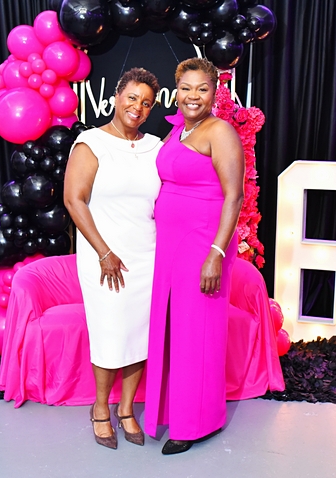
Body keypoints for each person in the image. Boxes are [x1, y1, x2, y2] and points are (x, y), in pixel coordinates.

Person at [143, 57, 245, 455]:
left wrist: (216, 253)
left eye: (202, 89)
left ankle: (196, 423)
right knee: (174, 330)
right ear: (176, 91)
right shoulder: (178, 130)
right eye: (186, 88)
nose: (193, 96)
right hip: (171, 245)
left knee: (196, 333)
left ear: (215, 92)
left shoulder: (220, 132)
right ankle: (174, 410)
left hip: (203, 244)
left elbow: (234, 196)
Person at [63, 68, 162, 449]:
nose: (138, 107)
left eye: (146, 103)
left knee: (140, 336)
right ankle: (101, 408)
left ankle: (126, 409)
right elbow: (74, 200)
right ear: (117, 97)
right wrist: (103, 251)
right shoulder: (91, 143)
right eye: (132, 97)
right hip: (103, 256)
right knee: (110, 334)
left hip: (147, 255)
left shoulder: (156, 147)